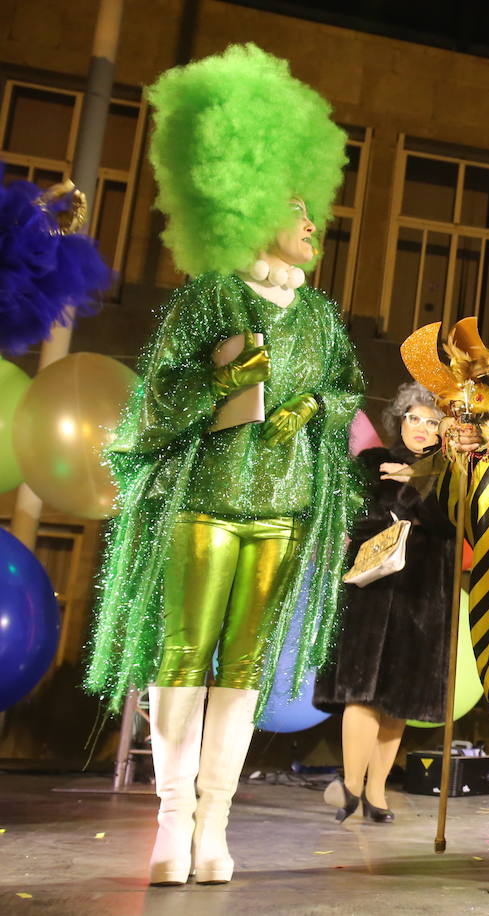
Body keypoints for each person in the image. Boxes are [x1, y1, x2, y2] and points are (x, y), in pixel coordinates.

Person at [84, 44, 363, 886]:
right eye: (296, 209)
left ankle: (216, 824)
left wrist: (316, 409)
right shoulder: (213, 292)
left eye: (315, 211)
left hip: (282, 503)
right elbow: (156, 397)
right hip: (205, 497)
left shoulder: (318, 313)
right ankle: (171, 824)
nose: (312, 222)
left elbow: (348, 391)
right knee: (182, 655)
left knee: (244, 668)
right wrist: (226, 379)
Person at [314, 382, 455, 823]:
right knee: (362, 690)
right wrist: (387, 513)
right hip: (373, 590)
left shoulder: (452, 472)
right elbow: (352, 515)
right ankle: (351, 786)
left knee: (399, 698)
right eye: (414, 417)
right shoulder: (373, 462)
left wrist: (419, 484)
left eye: (432, 421)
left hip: (422, 592)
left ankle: (377, 793)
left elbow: (448, 525)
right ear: (401, 418)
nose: (421, 427)